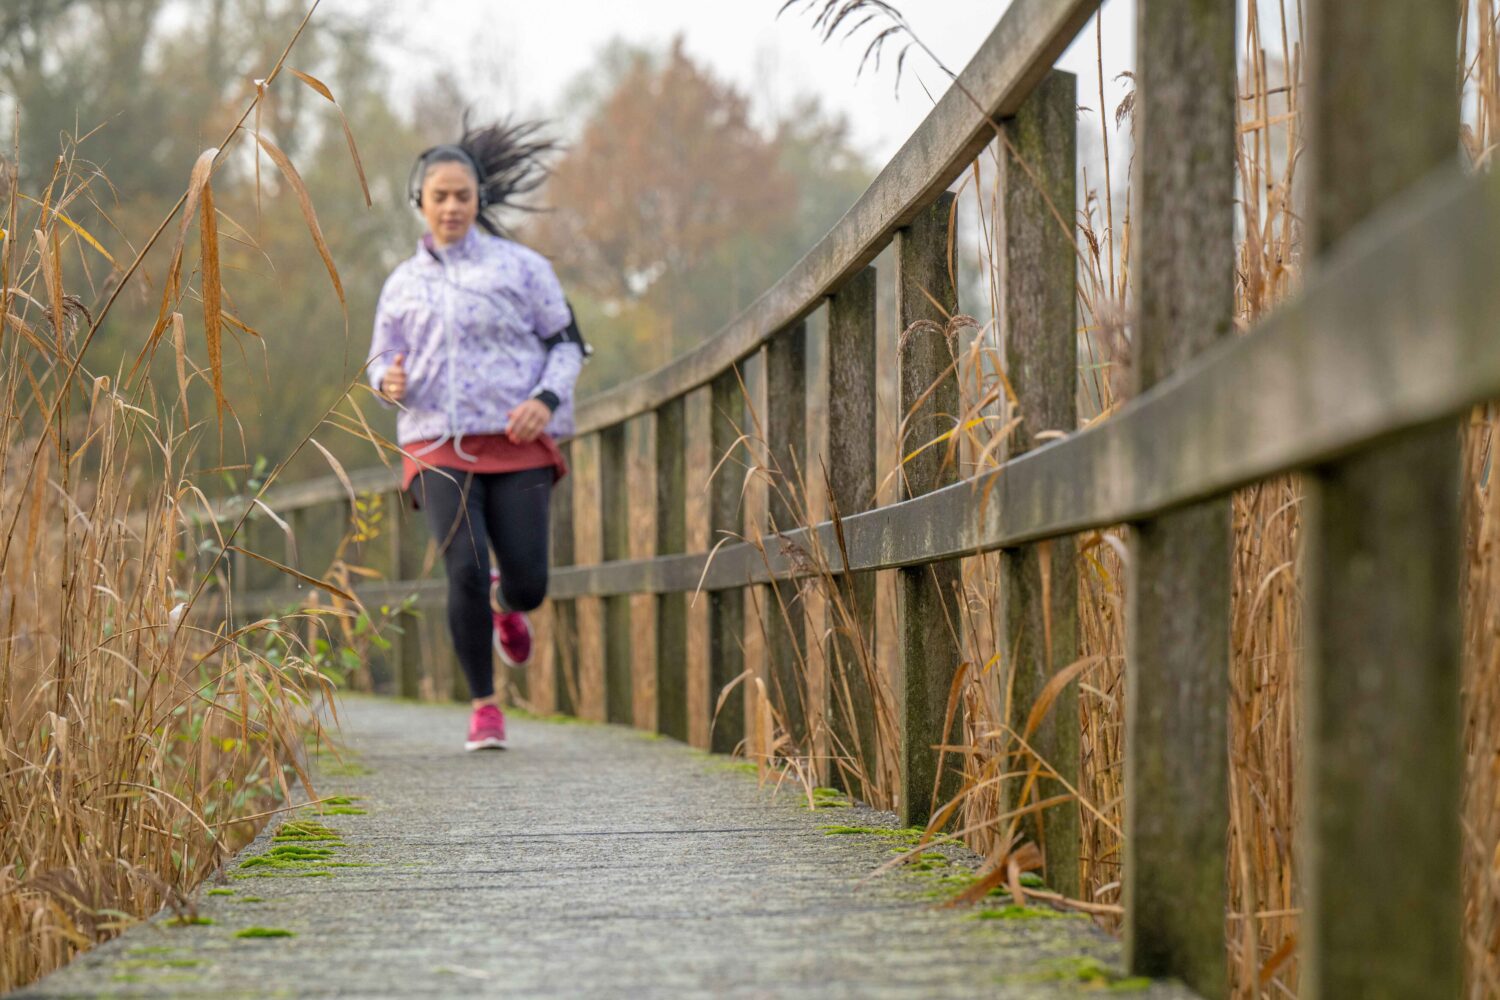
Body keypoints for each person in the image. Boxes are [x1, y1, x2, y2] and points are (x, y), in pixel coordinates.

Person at [365, 119, 586, 751]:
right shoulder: (402, 283)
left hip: (514, 441)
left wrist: (545, 399)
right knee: (460, 567)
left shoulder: (524, 268)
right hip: (436, 440)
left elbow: (568, 346)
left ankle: (507, 605)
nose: (453, 206)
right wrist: (388, 381)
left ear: (478, 200)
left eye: (463, 195)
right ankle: (484, 706)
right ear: (422, 203)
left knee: (529, 582)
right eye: (440, 196)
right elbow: (379, 358)